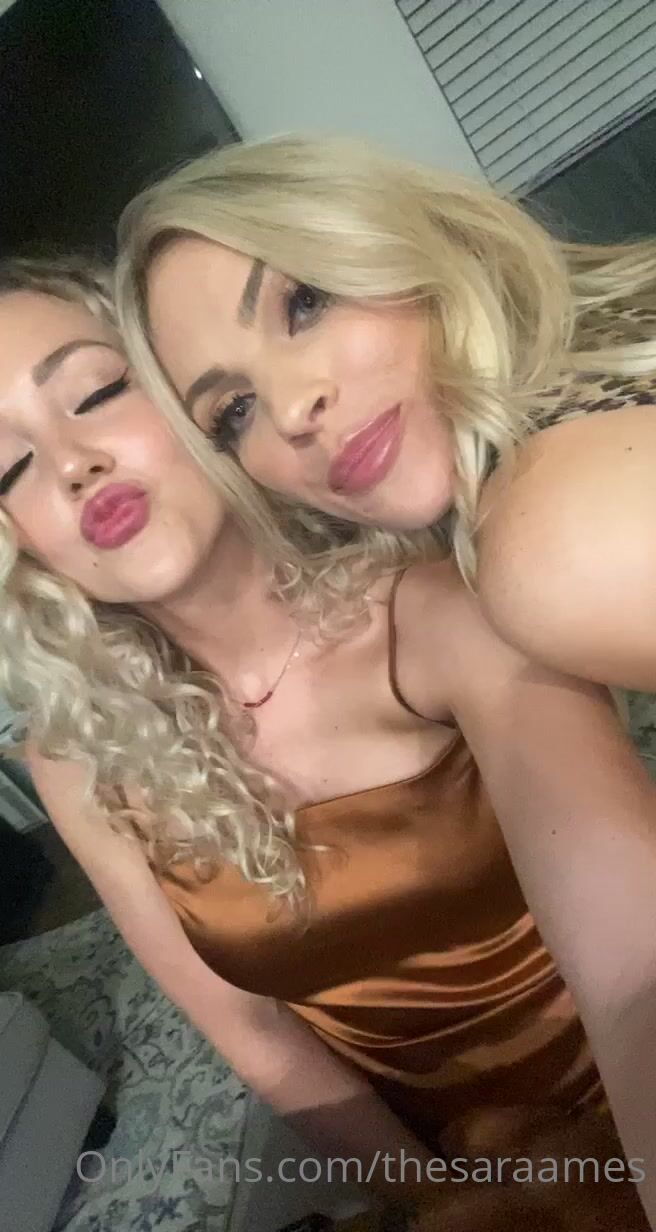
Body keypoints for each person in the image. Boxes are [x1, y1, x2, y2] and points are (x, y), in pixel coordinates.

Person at [1, 258, 654, 1232]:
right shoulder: (77, 760)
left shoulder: (440, 615)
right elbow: (254, 1034)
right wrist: (439, 1198)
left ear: (194, 399)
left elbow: (635, 965)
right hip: (437, 1166)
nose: (72, 464)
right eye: (10, 469)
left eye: (97, 393)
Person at [115, 131, 656, 697]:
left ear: (387, 239)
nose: (292, 411)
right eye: (236, 410)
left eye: (304, 304)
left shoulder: (554, 542)